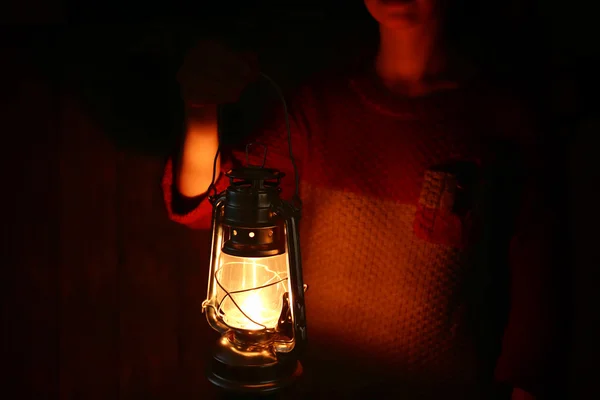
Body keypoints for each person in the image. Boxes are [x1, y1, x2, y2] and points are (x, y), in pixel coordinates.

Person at [163, 0, 555, 398]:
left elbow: (540, 273)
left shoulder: (499, 120)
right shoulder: (319, 108)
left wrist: (525, 380)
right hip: (320, 385)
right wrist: (200, 110)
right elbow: (214, 203)